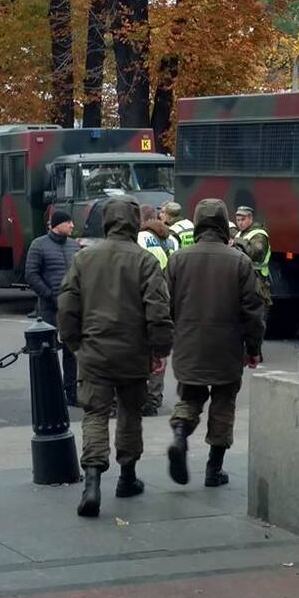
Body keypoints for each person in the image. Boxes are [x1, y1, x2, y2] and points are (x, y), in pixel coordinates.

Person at [57, 196, 172, 518]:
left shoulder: (85, 258)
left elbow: (67, 305)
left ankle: (92, 482)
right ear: (135, 222)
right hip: (134, 353)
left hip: (94, 351)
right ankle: (127, 477)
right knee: (130, 414)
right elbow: (158, 311)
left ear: (106, 221)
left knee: (94, 414)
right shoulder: (145, 260)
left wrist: (73, 342)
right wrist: (160, 349)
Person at [166, 199, 265, 488]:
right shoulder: (240, 261)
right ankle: (213, 469)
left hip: (189, 343)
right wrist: (254, 349)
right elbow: (253, 311)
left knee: (190, 397)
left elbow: (165, 304)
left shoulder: (178, 259)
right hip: (227, 346)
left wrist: (169, 338)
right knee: (224, 404)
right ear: (224, 224)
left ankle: (181, 435)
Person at [25, 209, 80, 405]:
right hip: (49, 308)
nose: (72, 226)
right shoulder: (39, 245)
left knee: (71, 351)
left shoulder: (74, 246)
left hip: (71, 308)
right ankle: (50, 393)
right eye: (69, 222)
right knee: (48, 352)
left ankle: (71, 393)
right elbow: (31, 274)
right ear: (58, 224)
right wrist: (49, 294)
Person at [137, 206, 174, 416]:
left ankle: (143, 396)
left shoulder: (140, 239)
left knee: (142, 350)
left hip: (143, 298)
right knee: (159, 352)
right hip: (166, 298)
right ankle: (154, 398)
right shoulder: (171, 239)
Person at [232, 205, 272, 317]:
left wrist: (237, 242)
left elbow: (256, 252)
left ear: (250, 218)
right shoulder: (241, 234)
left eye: (243, 220)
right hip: (244, 281)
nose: (240, 223)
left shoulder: (259, 235)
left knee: (256, 318)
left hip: (257, 283)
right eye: (238, 220)